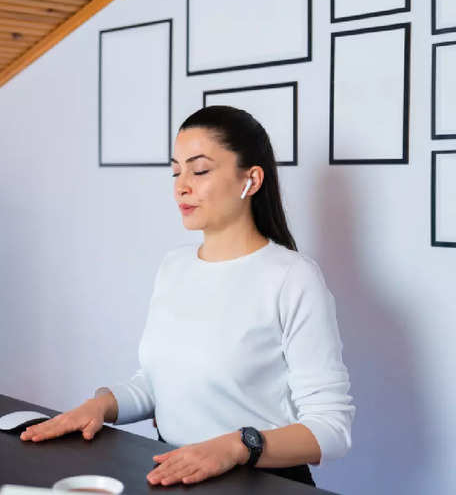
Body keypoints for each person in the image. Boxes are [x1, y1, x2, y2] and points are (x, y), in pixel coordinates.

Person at [20, 105, 355, 488]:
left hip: (261, 483)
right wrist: (101, 405)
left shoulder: (293, 278)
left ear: (252, 179)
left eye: (199, 170)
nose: (181, 185)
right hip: (176, 475)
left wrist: (235, 446)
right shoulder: (174, 266)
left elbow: (332, 428)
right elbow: (158, 383)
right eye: (176, 171)